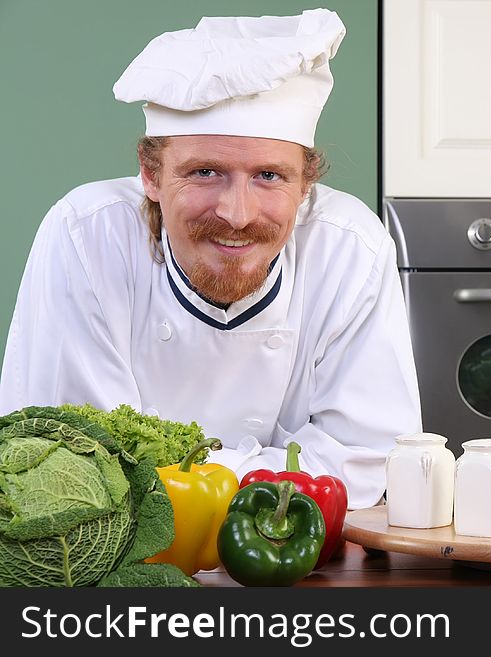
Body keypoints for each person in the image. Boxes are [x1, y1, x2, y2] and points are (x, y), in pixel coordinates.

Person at [0, 9, 422, 509]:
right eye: (204, 172)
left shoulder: (350, 247)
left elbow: (368, 461)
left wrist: (182, 480)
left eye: (269, 176)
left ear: (306, 184)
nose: (237, 214)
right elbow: (75, 471)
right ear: (151, 175)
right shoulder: (86, 236)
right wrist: (278, 473)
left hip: (288, 560)